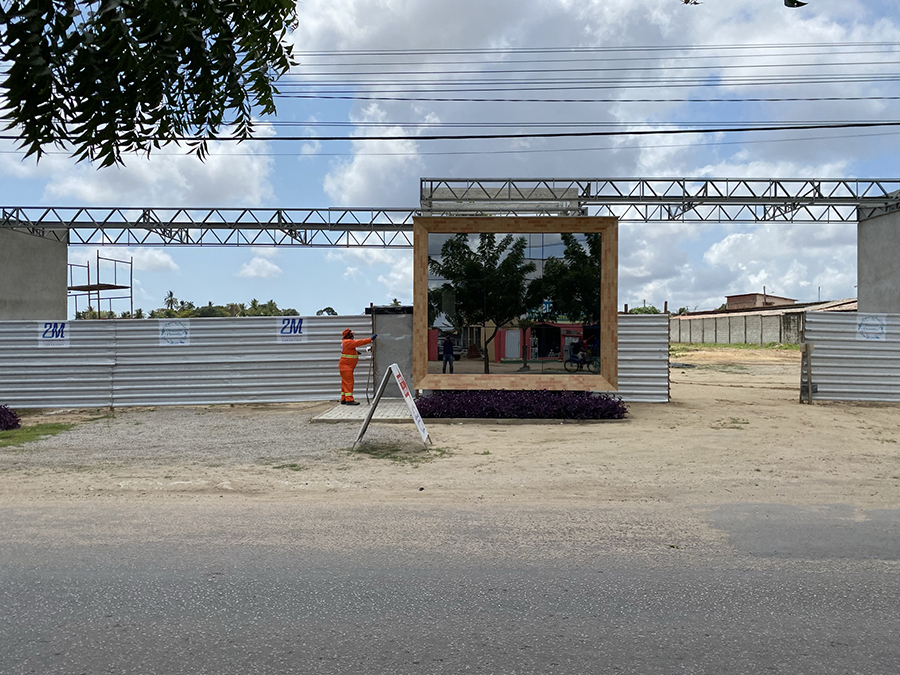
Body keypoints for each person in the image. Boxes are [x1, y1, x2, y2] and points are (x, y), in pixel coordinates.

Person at [339, 328, 376, 405]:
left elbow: (348, 351)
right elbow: (359, 342)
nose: (353, 335)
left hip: (344, 366)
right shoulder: (348, 342)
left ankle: (343, 399)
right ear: (348, 335)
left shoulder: (344, 342)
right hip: (346, 367)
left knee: (344, 382)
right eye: (351, 334)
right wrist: (370, 339)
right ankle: (349, 400)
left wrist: (355, 353)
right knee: (349, 382)